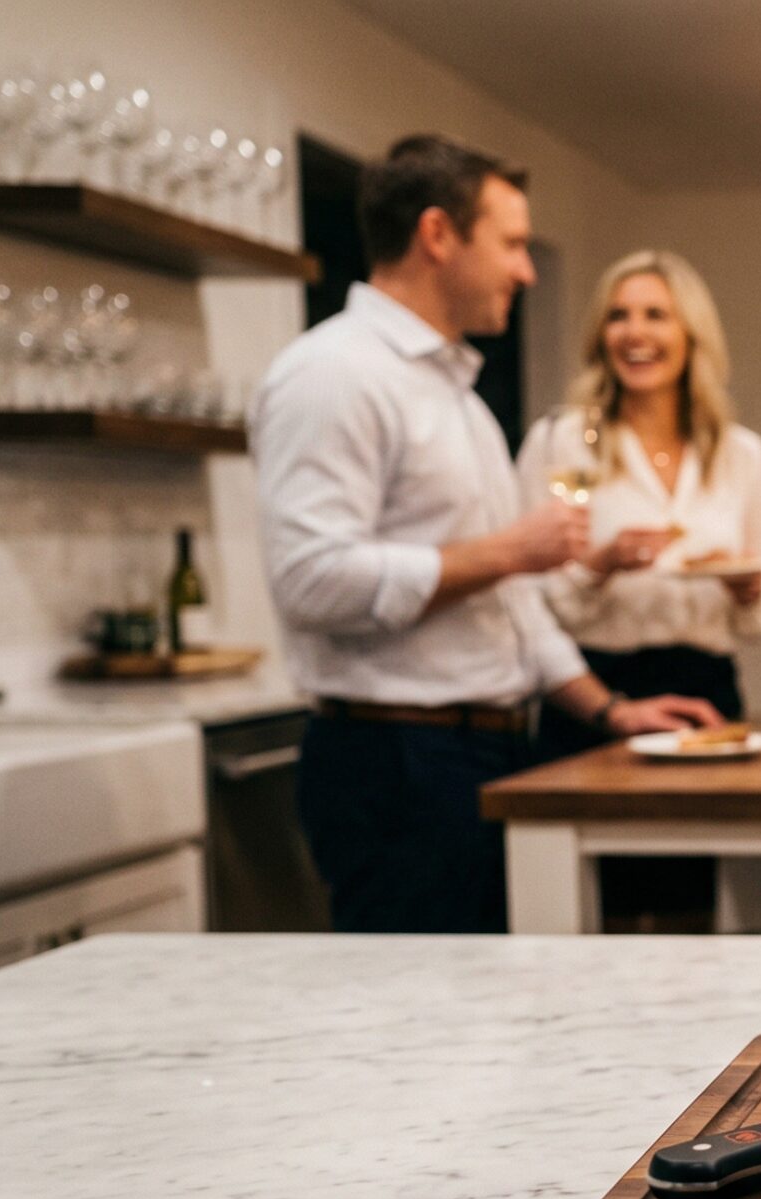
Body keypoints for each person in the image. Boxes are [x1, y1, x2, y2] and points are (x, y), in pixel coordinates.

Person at [254, 135, 717, 935]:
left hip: (482, 755)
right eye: (510, 243)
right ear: (438, 236)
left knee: (490, 1029)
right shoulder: (333, 373)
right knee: (419, 1031)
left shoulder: (458, 399)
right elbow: (309, 579)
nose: (526, 270)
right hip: (392, 764)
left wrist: (611, 711)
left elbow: (511, 602)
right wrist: (511, 550)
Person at [515, 250, 761, 931]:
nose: (636, 333)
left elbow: (759, 620)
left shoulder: (740, 452)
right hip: (594, 695)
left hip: (704, 691)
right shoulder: (561, 441)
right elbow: (526, 598)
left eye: (656, 315)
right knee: (595, 918)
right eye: (619, 316)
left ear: (691, 334)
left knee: (696, 918)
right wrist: (598, 565)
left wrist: (748, 588)